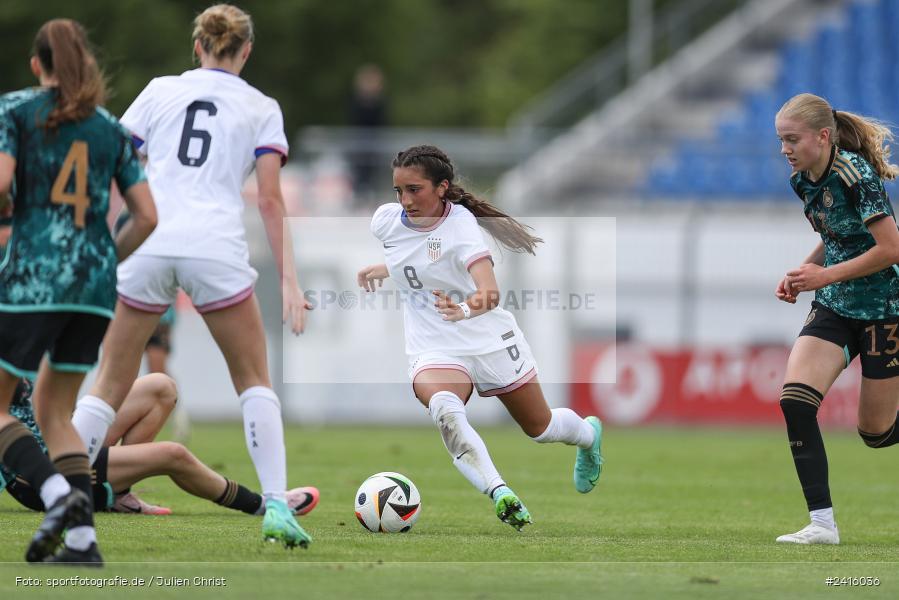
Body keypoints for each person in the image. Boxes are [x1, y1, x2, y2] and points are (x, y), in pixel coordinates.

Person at [71, 4, 312, 549]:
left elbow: (112, 166)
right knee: (253, 380)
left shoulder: (159, 90)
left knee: (108, 383)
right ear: (246, 50)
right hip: (214, 247)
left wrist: (103, 240)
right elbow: (271, 202)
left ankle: (63, 505)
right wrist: (290, 281)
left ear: (197, 46)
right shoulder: (261, 106)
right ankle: (276, 506)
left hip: (149, 239)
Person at [357, 145, 603, 531]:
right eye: (398, 190)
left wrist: (464, 310)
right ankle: (499, 491)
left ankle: (589, 437)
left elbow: (489, 291)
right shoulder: (386, 221)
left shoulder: (462, 227)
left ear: (442, 188)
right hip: (434, 346)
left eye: (414, 190)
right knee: (444, 408)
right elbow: (415, 255)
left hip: (487, 337)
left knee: (540, 429)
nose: (405, 201)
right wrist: (385, 268)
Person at [0, 19, 156, 565]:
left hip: (36, 275)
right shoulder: (110, 128)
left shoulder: (16, 110)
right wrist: (106, 259)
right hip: (94, 282)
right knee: (55, 413)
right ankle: (84, 543)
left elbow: (1, 186)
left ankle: (55, 496)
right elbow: (146, 216)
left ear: (37, 64)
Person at [774, 92, 899, 545]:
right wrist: (802, 273)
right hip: (834, 304)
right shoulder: (802, 180)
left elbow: (890, 249)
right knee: (795, 401)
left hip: (885, 308)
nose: (784, 149)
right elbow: (837, 234)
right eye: (780, 140)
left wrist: (821, 274)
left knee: (876, 434)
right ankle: (822, 525)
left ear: (823, 137)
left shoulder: (855, 173)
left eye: (792, 139)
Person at [0, 375, 319, 518]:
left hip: (67, 434)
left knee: (160, 388)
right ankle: (261, 505)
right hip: (43, 474)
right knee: (173, 454)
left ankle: (117, 495)